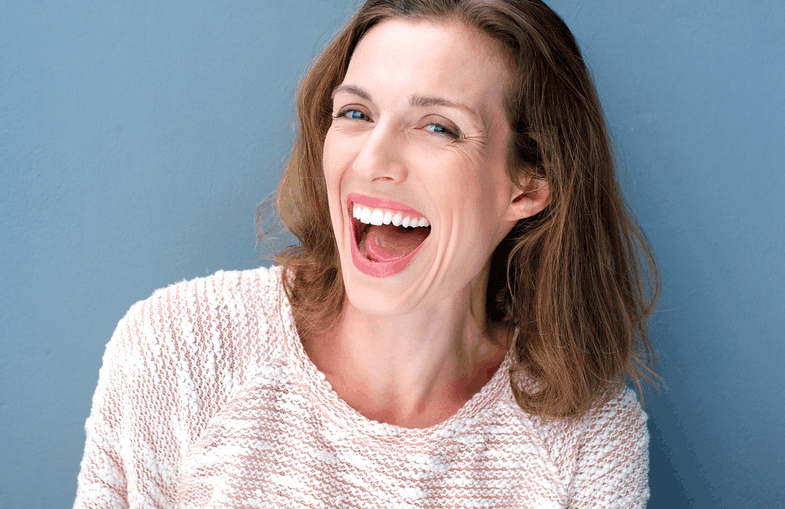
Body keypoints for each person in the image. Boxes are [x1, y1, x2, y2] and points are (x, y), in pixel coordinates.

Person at [75, 0, 659, 507]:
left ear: (527, 186)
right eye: (355, 114)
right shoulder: (182, 349)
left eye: (438, 128)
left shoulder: (586, 441)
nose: (373, 161)